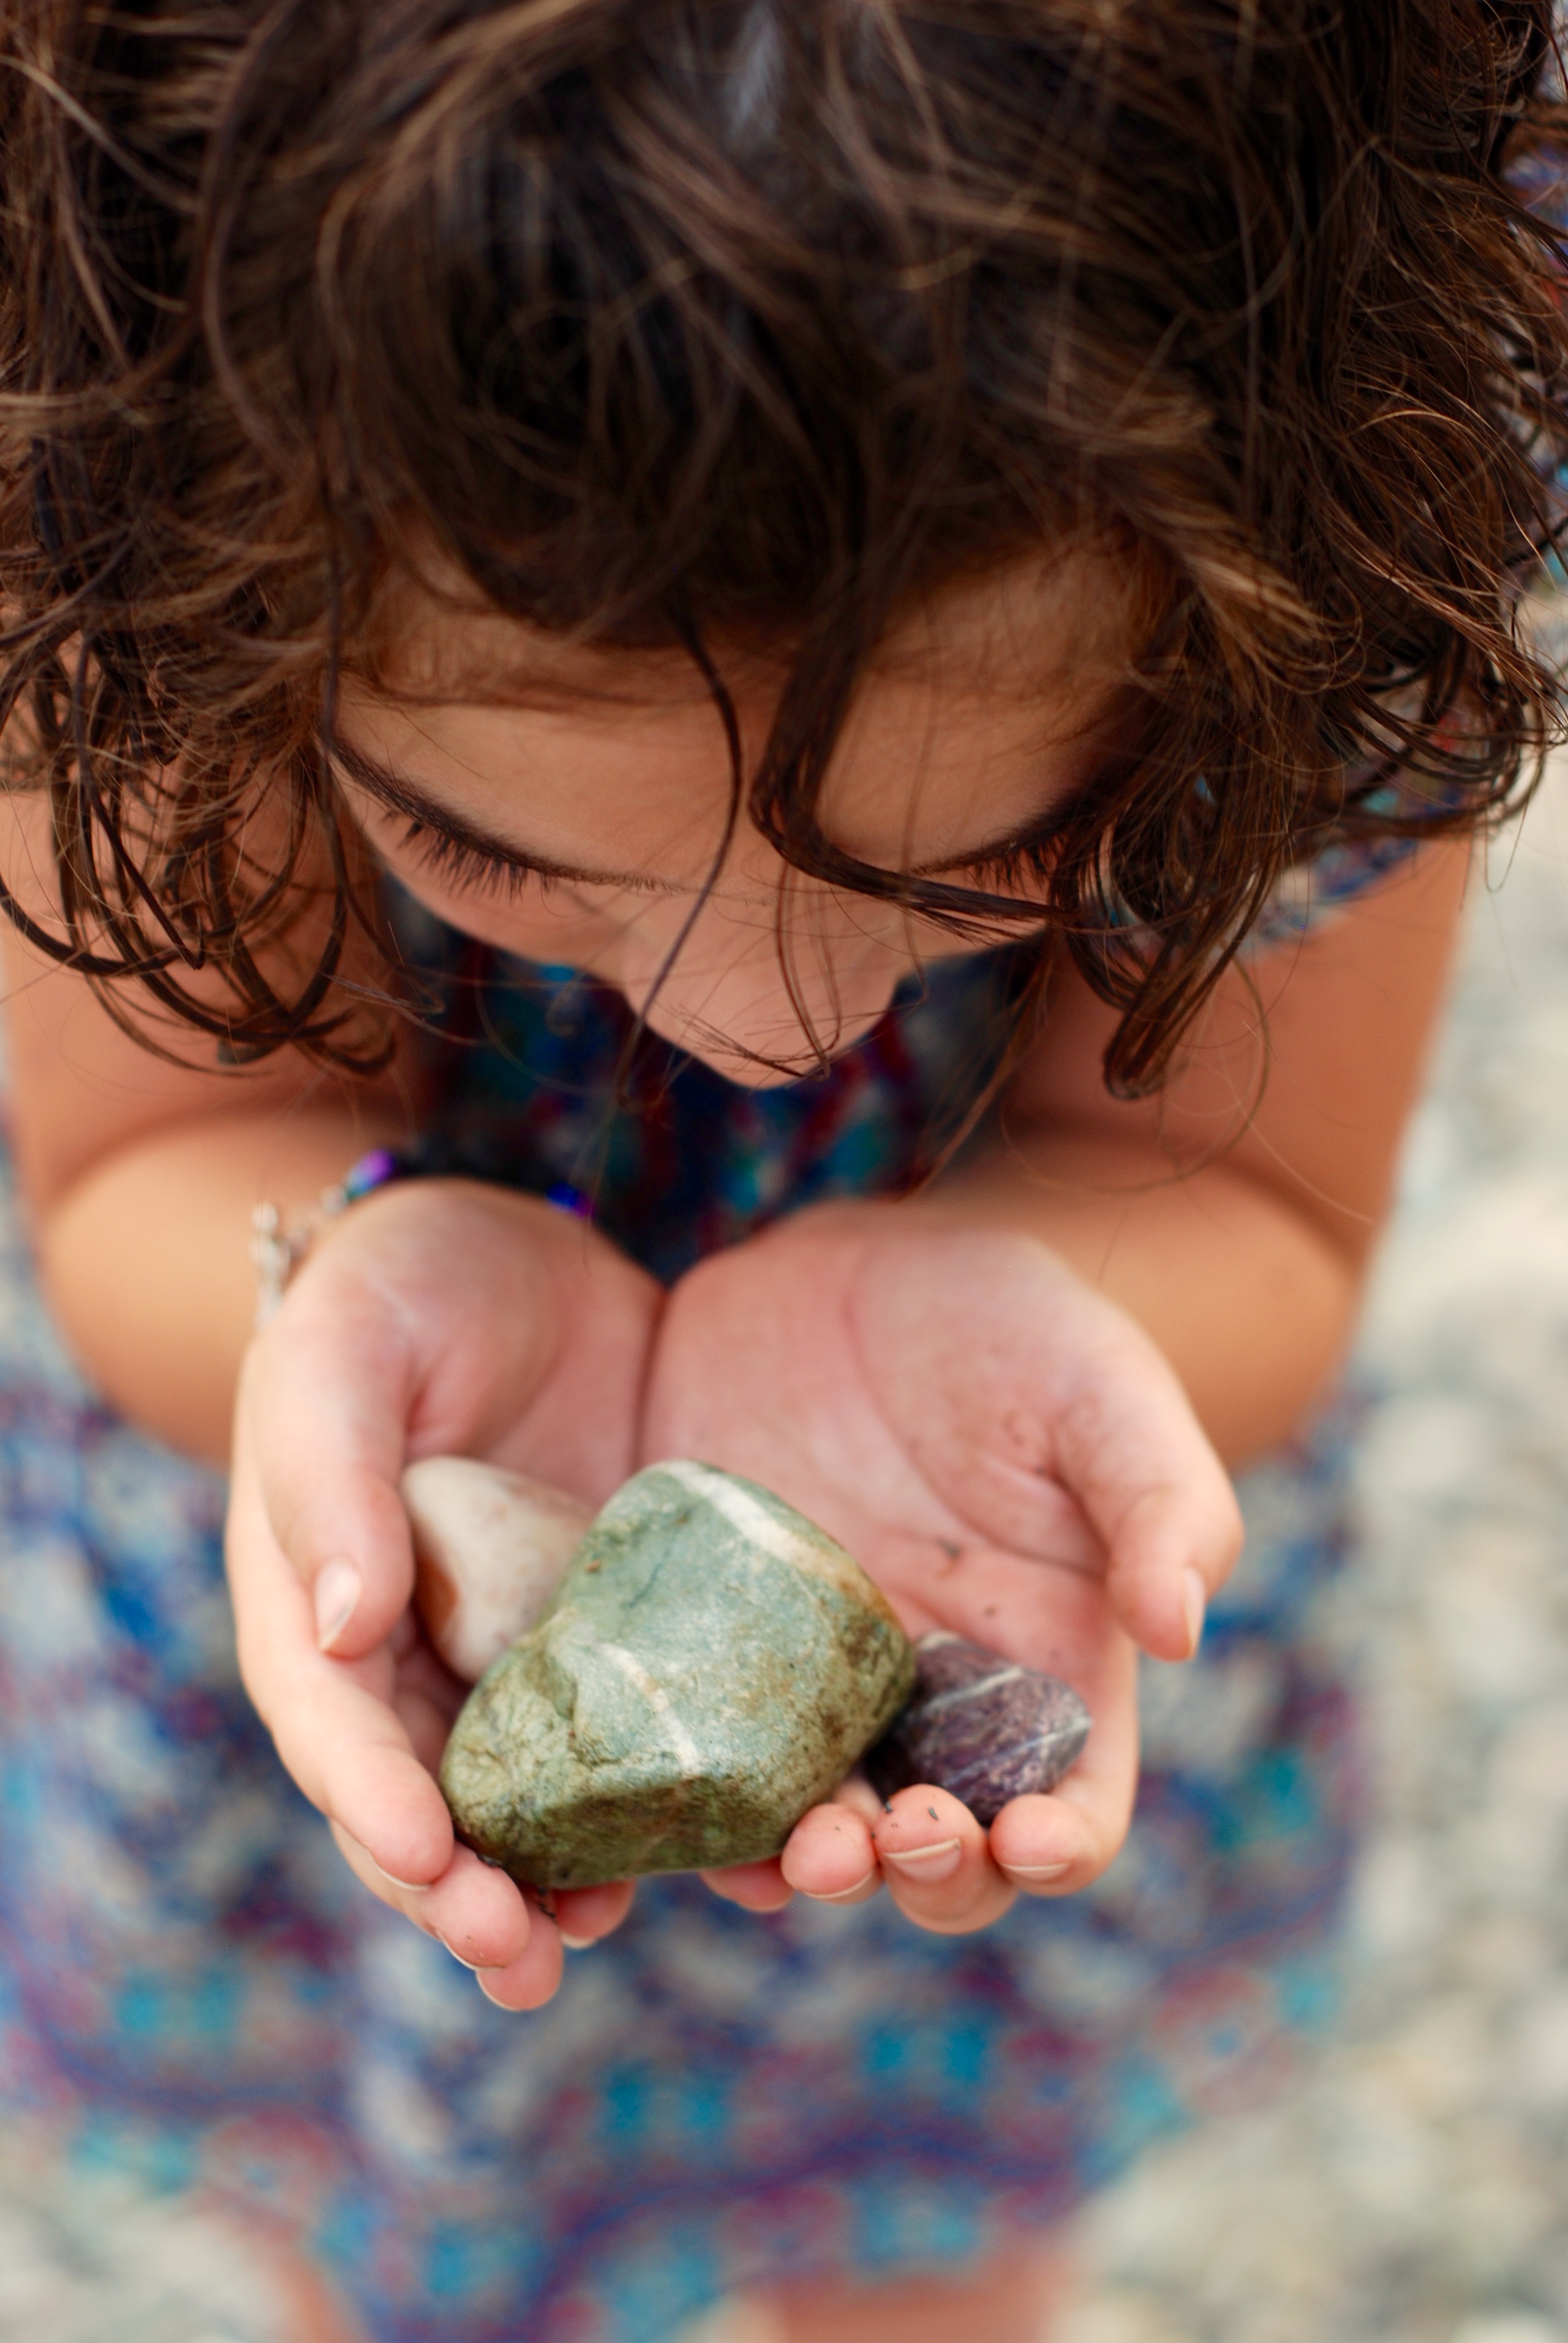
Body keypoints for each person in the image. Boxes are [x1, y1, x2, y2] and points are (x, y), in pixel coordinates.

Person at [0, 3, 1562, 2339]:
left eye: (999, 856)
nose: (765, 1031)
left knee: (927, 2253)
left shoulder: (1348, 446)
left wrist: (1042, 1314)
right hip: (354, 1609)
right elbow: (160, 1143)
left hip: (965, 1556)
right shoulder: (125, 415)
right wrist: (342, 1298)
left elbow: (1247, 1201)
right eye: (487, 848)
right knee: (395, 2216)